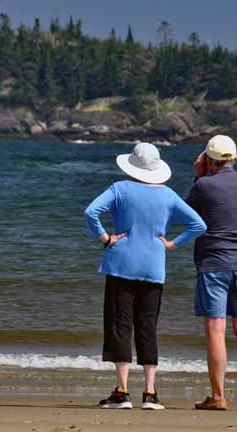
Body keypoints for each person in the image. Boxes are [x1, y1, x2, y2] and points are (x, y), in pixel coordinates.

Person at [85, 142, 206, 410]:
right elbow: (199, 225)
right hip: (153, 266)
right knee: (147, 326)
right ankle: (150, 393)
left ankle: (122, 392)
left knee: (120, 324)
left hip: (120, 264)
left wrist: (105, 238)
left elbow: (91, 212)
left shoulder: (120, 188)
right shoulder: (169, 195)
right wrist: (173, 243)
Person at [186, 135, 237, 412]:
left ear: (209, 160)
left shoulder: (204, 185)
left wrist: (198, 176)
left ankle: (218, 395)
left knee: (216, 331)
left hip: (214, 264)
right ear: (233, 158)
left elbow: (187, 212)